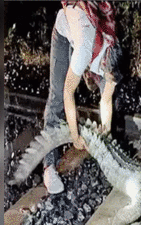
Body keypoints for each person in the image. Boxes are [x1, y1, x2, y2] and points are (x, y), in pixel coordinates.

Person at [42, 0, 122, 194]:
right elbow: (68, 94)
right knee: (57, 97)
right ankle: (48, 167)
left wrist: (107, 128)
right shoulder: (84, 51)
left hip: (88, 36)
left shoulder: (113, 51)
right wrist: (75, 135)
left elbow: (106, 98)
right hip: (65, 31)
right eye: (105, 77)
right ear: (101, 67)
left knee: (106, 90)